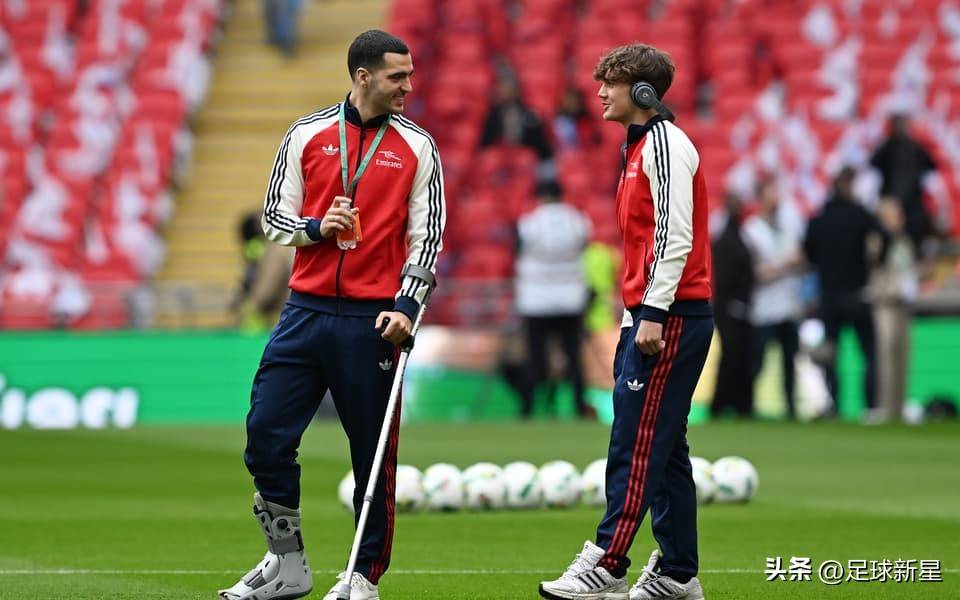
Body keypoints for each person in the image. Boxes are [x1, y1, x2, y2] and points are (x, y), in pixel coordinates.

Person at [219, 30, 446, 600]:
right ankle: (286, 562)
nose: (408, 86)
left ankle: (362, 576)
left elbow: (427, 236)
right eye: (398, 76)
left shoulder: (419, 146)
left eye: (410, 75)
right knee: (265, 435)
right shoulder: (306, 134)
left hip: (375, 320)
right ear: (363, 76)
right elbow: (275, 219)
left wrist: (407, 306)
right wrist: (318, 228)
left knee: (374, 458)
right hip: (304, 312)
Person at [539, 43, 713, 600]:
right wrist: (635, 315)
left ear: (642, 92)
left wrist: (653, 312)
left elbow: (675, 236)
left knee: (635, 442)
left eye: (610, 83)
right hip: (653, 312)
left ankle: (608, 562)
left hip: (671, 314)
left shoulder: (664, 143)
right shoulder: (640, 147)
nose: (599, 93)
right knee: (665, 448)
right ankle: (677, 573)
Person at [803, 167, 887, 420]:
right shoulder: (860, 214)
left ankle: (834, 406)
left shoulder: (820, 218)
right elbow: (885, 236)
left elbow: (808, 252)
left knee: (830, 355)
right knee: (869, 354)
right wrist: (874, 262)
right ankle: (871, 408)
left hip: (830, 296)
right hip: (857, 294)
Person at [514, 181, 592, 419]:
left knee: (535, 356)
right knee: (574, 356)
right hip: (571, 298)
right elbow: (585, 247)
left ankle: (528, 408)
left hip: (536, 300)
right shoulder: (578, 221)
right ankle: (579, 407)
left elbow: (519, 250)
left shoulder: (529, 223)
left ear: (540, 197)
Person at [741, 178, 804, 419]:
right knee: (758, 361)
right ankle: (748, 406)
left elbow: (801, 261)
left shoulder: (788, 227)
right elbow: (754, 273)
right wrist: (785, 265)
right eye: (771, 193)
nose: (776, 199)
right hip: (764, 307)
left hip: (789, 305)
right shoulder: (752, 230)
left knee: (790, 361)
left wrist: (793, 264)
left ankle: (791, 407)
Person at [872, 197, 918, 422]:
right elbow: (874, 261)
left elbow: (907, 269)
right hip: (885, 303)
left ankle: (899, 408)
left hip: (904, 304)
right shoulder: (877, 238)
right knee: (886, 356)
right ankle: (885, 407)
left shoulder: (904, 240)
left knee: (903, 356)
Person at [710, 192, 755, 419]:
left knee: (735, 356)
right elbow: (727, 277)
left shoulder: (731, 237)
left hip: (731, 307)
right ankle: (727, 405)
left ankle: (732, 404)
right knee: (732, 356)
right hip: (730, 308)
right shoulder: (730, 240)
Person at [869, 114, 937, 253]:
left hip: (907, 202)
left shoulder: (911, 146)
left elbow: (932, 164)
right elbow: (873, 162)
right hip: (897, 203)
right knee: (892, 240)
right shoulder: (892, 146)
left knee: (908, 242)